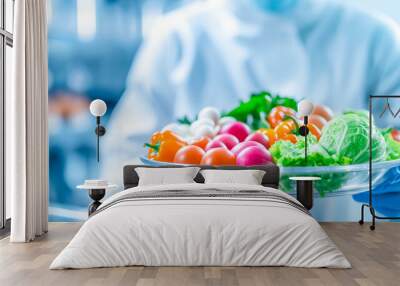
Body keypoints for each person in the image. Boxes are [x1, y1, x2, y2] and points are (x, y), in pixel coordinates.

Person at [102, 0, 400, 186]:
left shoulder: (376, 39)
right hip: (207, 242)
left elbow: (394, 141)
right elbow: (127, 157)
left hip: (344, 243)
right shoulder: (178, 38)